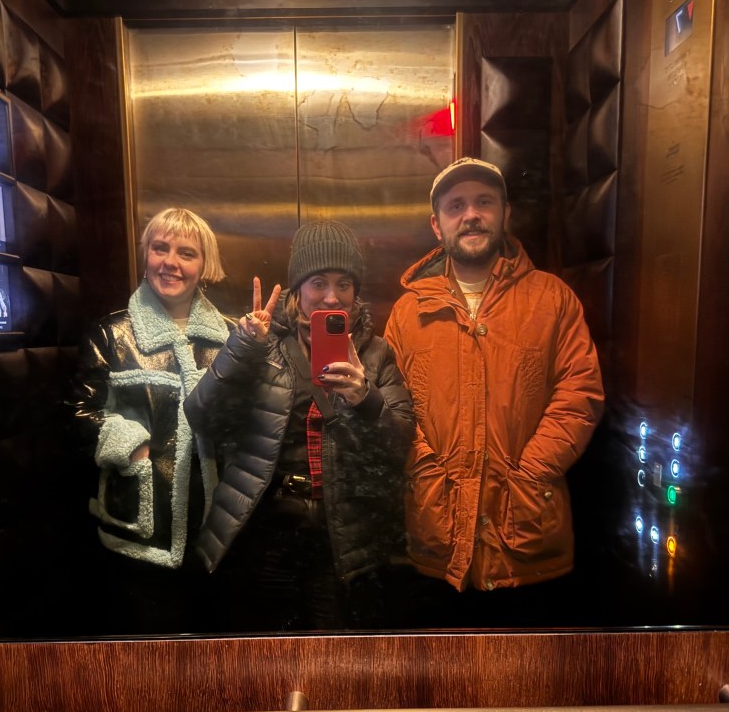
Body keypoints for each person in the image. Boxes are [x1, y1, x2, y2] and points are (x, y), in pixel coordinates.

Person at [384, 156, 605, 620]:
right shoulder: (407, 313)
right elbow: (392, 406)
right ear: (436, 224)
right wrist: (427, 474)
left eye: (484, 202)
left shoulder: (552, 298)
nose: (471, 215)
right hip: (436, 539)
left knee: (526, 684)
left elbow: (579, 395)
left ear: (505, 213)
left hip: (527, 541)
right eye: (456, 205)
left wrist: (529, 477)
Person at [184, 219, 415, 631]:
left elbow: (400, 445)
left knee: (330, 661)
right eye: (318, 282)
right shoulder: (262, 344)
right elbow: (202, 417)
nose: (331, 296)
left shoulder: (377, 356)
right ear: (297, 289)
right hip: (263, 531)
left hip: (340, 537)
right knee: (260, 661)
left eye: (344, 283)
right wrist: (241, 348)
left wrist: (366, 399)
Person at [70, 207, 231, 630]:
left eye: (186, 252)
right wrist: (132, 447)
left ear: (205, 265)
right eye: (160, 248)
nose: (170, 262)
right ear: (146, 254)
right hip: (139, 528)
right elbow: (79, 410)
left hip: (216, 531)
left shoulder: (232, 337)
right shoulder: (112, 333)